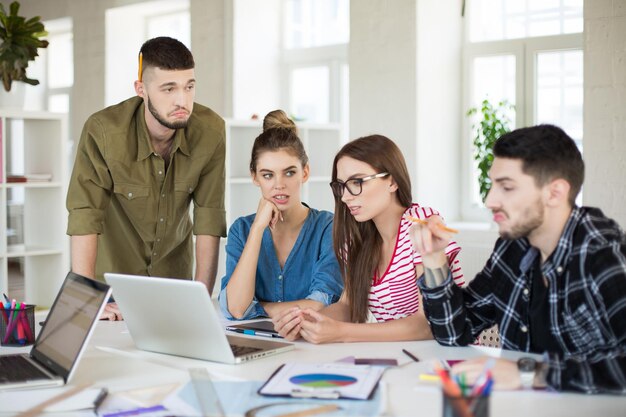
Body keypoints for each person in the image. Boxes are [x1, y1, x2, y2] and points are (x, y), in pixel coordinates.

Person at [413, 124, 626, 394]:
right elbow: (455, 333)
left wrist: (530, 374)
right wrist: (433, 259)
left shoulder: (603, 254)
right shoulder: (511, 248)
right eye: (493, 185)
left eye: (507, 187)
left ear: (555, 193)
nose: (490, 200)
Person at [67, 37, 226, 320]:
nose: (182, 100)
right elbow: (84, 215)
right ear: (141, 89)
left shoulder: (211, 131)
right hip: (112, 287)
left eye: (189, 86)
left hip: (176, 287)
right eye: (168, 88)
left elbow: (209, 217)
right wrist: (88, 299)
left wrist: (200, 297)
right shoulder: (103, 132)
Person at [273, 134, 464, 343]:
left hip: (451, 358)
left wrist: (341, 332)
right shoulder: (356, 240)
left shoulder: (421, 224)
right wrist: (308, 322)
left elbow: (427, 324)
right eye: (341, 185)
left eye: (357, 182)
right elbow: (347, 306)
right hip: (402, 359)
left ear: (391, 181)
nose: (345, 196)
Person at [218, 110, 343, 320]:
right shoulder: (242, 230)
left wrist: (256, 309)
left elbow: (321, 304)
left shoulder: (327, 227)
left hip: (312, 347)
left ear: (305, 172)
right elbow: (237, 307)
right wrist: (258, 229)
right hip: (253, 344)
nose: (279, 185)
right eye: (268, 175)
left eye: (289, 172)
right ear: (255, 177)